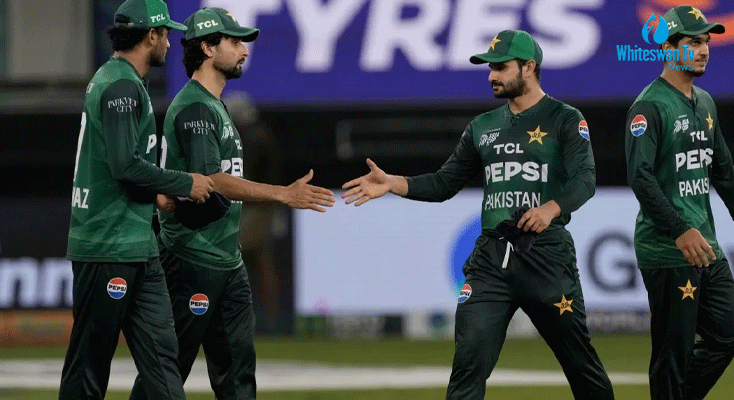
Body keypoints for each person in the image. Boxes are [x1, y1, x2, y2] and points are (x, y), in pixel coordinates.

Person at [342, 30, 614, 400]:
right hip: (490, 262)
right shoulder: (483, 127)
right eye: (490, 68)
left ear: (529, 67)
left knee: (582, 367)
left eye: (501, 67)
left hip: (545, 257)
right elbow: (444, 183)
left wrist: (550, 209)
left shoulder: (564, 119)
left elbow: (585, 180)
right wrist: (394, 183)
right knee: (468, 364)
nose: (491, 75)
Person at [128, 7, 335, 399]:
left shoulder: (214, 106)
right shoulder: (195, 108)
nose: (244, 50)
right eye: (234, 42)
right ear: (208, 48)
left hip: (225, 259)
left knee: (239, 377)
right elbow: (213, 180)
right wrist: (283, 194)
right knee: (165, 375)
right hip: (191, 258)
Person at [60, 0, 214, 399]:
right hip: (107, 243)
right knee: (89, 366)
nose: (169, 43)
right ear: (151, 35)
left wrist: (156, 190)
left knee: (163, 359)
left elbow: (123, 165)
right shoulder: (123, 87)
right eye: (166, 35)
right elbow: (125, 165)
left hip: (138, 243)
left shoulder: (119, 80)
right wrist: (183, 182)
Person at [625, 5, 734, 400]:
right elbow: (640, 177)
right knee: (673, 355)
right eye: (693, 42)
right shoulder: (649, 106)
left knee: (727, 335)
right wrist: (680, 230)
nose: (703, 49)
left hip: (707, 246)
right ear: (668, 48)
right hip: (669, 249)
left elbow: (723, 171)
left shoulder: (705, 102)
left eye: (705, 41)